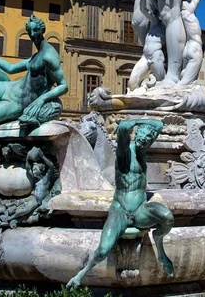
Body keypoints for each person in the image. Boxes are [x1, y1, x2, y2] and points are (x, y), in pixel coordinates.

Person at [67, 119, 174, 287]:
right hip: (121, 210)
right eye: (141, 138)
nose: (143, 143)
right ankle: (81, 274)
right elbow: (124, 127)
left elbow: (160, 125)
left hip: (140, 210)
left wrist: (143, 126)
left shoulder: (142, 150)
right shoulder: (124, 153)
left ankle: (159, 247)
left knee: (167, 217)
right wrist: (136, 122)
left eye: (147, 141)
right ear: (136, 135)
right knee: (103, 250)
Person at [0, 14, 68, 178]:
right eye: (30, 31)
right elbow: (10, 68)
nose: (33, 35)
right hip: (8, 87)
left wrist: (42, 99)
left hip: (16, 103)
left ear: (42, 30)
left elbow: (64, 85)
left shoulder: (49, 56)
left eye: (36, 30)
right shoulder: (36, 55)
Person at [179, 0, 203, 86]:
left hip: (186, 50)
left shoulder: (183, 14)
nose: (190, 1)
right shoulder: (189, 10)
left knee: (184, 76)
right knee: (186, 84)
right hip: (195, 47)